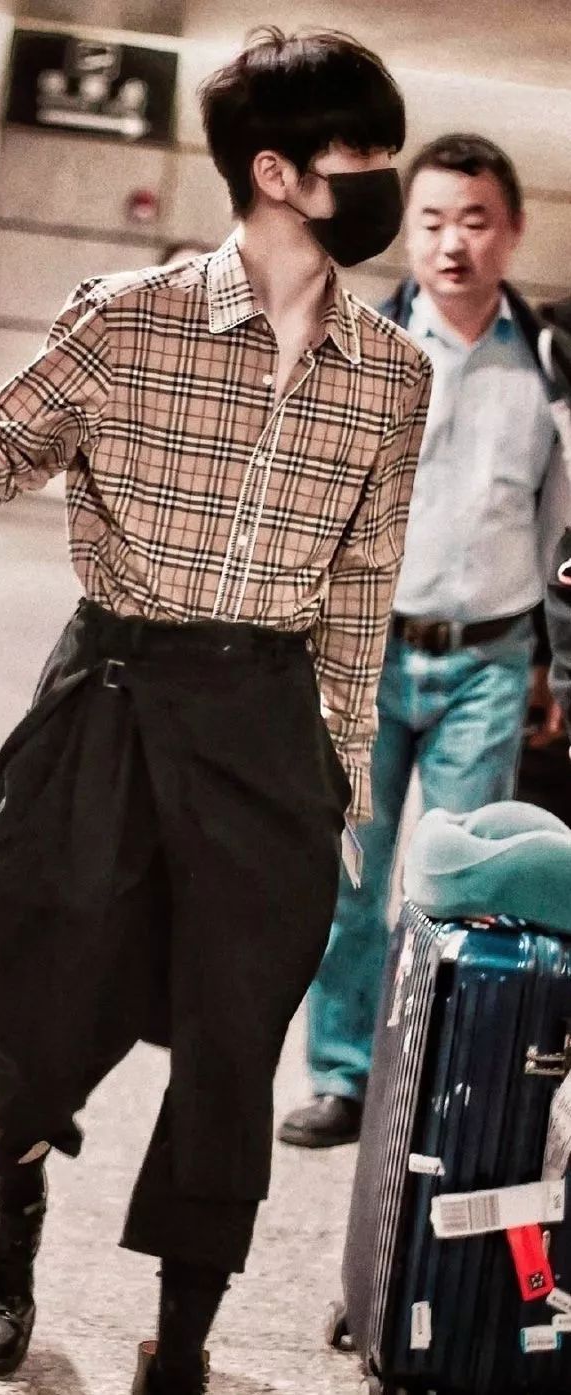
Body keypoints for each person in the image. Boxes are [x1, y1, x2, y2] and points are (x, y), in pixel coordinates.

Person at [0, 29, 431, 1394]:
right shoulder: (127, 314)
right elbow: (9, 430)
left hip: (266, 722)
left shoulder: (391, 374)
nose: (384, 180)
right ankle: (12, 1205)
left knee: (234, 1047)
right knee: (35, 991)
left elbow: (363, 581)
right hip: (111, 699)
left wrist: (344, 771)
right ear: (275, 172)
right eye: (361, 156)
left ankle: (181, 1337)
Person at [281, 133, 568, 1151]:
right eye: (432, 220)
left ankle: (435, 1078)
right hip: (365, 651)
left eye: (474, 220)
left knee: (459, 883)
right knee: (352, 877)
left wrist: (552, 662)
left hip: (488, 658)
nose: (452, 243)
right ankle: (342, 1074)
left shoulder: (548, 364)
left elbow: (558, 524)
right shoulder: (361, 343)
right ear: (407, 231)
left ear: (512, 230)